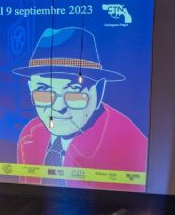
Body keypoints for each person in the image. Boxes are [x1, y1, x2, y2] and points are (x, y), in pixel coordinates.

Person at [13, 27, 147, 191]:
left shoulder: (129, 147)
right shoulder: (30, 133)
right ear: (30, 88)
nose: (58, 108)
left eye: (74, 92)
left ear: (99, 90)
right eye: (44, 92)